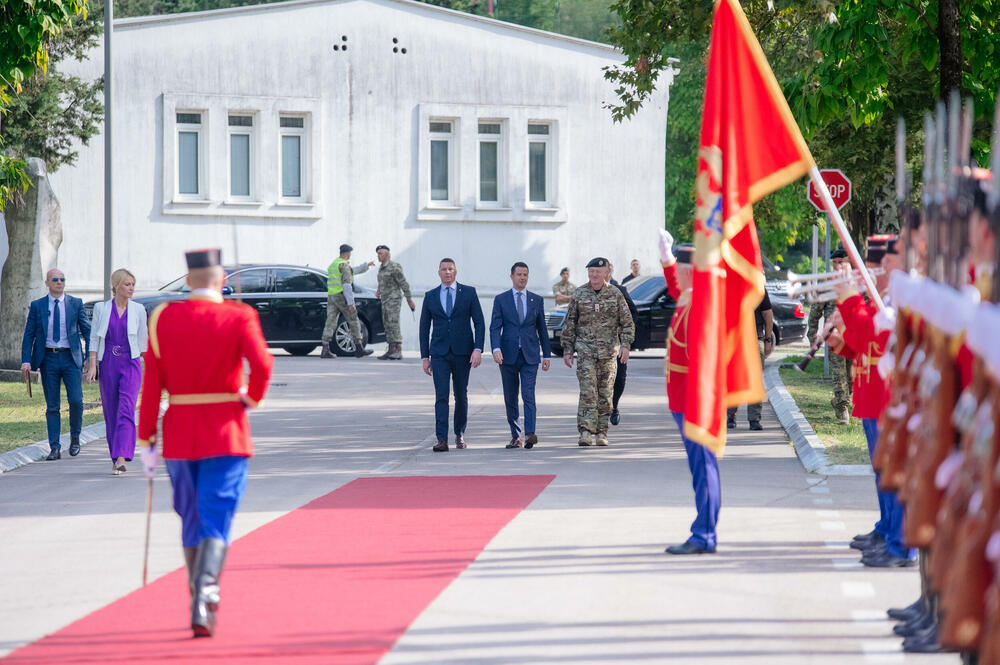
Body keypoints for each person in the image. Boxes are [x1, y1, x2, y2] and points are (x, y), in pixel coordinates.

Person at [136, 248, 274, 637]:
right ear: (222, 279)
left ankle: (195, 593)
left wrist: (146, 437)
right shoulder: (239, 315)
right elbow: (263, 364)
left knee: (191, 516)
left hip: (179, 434)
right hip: (226, 431)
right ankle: (205, 595)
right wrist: (251, 398)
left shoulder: (163, 317)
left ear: (189, 278)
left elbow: (152, 386)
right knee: (216, 515)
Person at [660, 231, 720, 555]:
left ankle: (705, 534)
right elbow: (675, 288)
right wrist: (667, 259)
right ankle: (703, 530)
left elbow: (703, 359)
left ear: (690, 272)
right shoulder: (690, 297)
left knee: (703, 467)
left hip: (694, 401)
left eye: (680, 269)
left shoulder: (698, 304)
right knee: (699, 467)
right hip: (684, 399)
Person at [560, 257, 634, 447]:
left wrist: (625, 345)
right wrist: (567, 349)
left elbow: (627, 323)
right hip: (585, 351)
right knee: (587, 391)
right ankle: (585, 431)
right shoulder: (579, 293)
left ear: (606, 272)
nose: (594, 275)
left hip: (609, 353)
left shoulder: (615, 294)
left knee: (605, 392)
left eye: (598, 272)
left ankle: (601, 431)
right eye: (591, 271)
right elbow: (570, 323)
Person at [20, 269, 91, 461]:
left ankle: (75, 438)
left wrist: (89, 356)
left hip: (71, 358)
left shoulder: (75, 304)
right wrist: (26, 360)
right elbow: (29, 335)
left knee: (76, 400)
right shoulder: (38, 306)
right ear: (47, 283)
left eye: (62, 279)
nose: (59, 282)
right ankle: (55, 447)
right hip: (48, 359)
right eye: (55, 280)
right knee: (53, 406)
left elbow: (87, 331)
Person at [419, 258, 485, 452]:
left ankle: (459, 433)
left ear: (456, 272)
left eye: (450, 269)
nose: (447, 272)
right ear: (438, 272)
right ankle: (441, 439)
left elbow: (479, 322)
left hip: (463, 352)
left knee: (461, 395)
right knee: (441, 396)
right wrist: (425, 357)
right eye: (443, 269)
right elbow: (424, 328)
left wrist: (478, 349)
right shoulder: (430, 296)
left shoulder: (469, 293)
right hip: (439, 353)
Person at [86, 269, 148, 475]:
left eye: (132, 284)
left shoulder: (138, 309)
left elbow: (143, 341)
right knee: (111, 411)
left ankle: (122, 455)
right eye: (127, 284)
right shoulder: (101, 308)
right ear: (116, 286)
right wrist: (93, 365)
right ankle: (115, 457)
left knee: (126, 409)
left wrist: (150, 368)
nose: (131, 288)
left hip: (131, 363)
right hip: (109, 363)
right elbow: (95, 338)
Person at [490, 262, 552, 449]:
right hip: (507, 356)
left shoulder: (536, 300)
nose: (522, 278)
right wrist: (495, 349)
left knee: (528, 394)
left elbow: (542, 329)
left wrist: (547, 355)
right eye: (519, 274)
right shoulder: (501, 300)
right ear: (512, 276)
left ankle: (530, 433)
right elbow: (495, 327)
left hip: (530, 355)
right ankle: (515, 435)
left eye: (525, 274)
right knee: (510, 396)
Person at [804, 247, 853, 423]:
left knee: (851, 376)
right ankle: (842, 410)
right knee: (839, 374)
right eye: (835, 263)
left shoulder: (858, 284)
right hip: (835, 338)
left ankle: (841, 400)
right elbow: (815, 313)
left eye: (841, 262)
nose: (838, 266)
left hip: (855, 337)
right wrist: (812, 337)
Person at [726, 289, 773, 430]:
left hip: (755, 338)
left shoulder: (758, 287)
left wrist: (768, 339)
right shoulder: (730, 285)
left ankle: (754, 419)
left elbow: (767, 313)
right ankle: (730, 415)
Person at [322, 243, 374, 358]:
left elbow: (353, 270)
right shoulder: (344, 265)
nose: (350, 255)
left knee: (330, 322)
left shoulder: (333, 264)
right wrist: (351, 303)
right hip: (341, 297)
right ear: (346, 253)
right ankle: (359, 348)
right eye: (350, 253)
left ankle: (325, 349)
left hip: (331, 296)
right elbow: (347, 285)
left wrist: (366, 265)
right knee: (353, 320)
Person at [606, 262, 639, 426]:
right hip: (597, 345)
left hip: (617, 343)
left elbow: (632, 313)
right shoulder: (587, 290)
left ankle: (614, 406)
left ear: (610, 270)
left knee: (619, 378)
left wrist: (623, 330)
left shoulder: (620, 290)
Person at [374, 245, 415, 360]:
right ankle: (391, 349)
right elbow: (382, 282)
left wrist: (409, 299)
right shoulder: (381, 268)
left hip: (394, 299)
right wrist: (378, 291)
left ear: (387, 254)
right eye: (377, 253)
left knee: (393, 323)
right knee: (387, 324)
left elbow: (403, 284)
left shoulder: (394, 267)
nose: (378, 256)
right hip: (385, 300)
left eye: (380, 253)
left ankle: (398, 350)